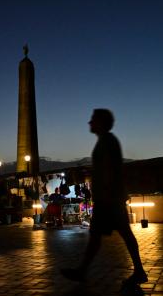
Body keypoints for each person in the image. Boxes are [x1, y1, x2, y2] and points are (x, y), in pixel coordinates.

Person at [61, 109, 148, 284]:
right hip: (110, 198)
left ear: (101, 122)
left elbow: (108, 170)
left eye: (92, 119)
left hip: (108, 199)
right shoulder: (107, 140)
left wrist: (106, 194)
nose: (89, 122)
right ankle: (85, 270)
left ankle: (84, 271)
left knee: (108, 235)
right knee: (107, 235)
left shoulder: (107, 141)